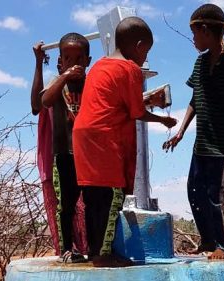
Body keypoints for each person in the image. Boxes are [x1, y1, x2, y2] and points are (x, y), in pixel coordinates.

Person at [73, 17, 177, 266]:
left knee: (93, 198)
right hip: (104, 138)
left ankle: (93, 250)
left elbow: (118, 103)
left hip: (83, 135)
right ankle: (103, 254)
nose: (145, 58)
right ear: (139, 45)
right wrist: (162, 121)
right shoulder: (130, 69)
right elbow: (136, 112)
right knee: (111, 197)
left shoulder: (100, 65)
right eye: (147, 52)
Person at [162, 3, 224, 260]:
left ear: (205, 31)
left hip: (222, 141)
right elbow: (195, 99)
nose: (193, 40)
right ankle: (206, 240)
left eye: (194, 34)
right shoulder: (200, 63)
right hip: (201, 141)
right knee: (194, 189)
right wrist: (180, 132)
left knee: (214, 195)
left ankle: (221, 246)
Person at [41, 33, 91, 263]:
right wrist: (64, 76)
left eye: (79, 58)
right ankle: (67, 249)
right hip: (63, 154)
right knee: (67, 205)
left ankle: (95, 247)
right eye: (68, 58)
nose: (74, 63)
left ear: (87, 60)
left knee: (92, 201)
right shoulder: (57, 85)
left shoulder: (92, 85)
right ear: (61, 61)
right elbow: (44, 101)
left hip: (89, 155)